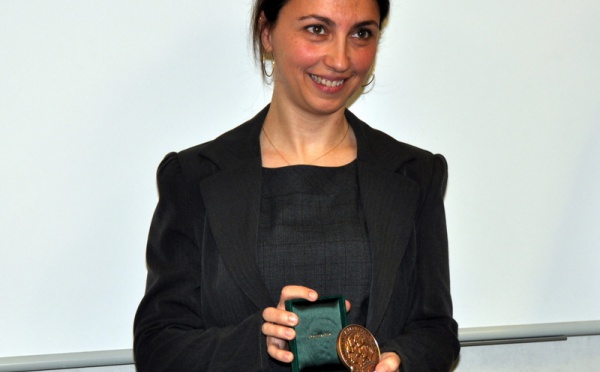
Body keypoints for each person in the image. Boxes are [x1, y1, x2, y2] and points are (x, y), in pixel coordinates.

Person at [133, 0, 460, 370]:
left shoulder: (414, 175)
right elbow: (158, 348)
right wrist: (259, 340)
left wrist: (401, 363)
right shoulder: (194, 178)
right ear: (267, 32)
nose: (341, 59)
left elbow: (435, 329)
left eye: (361, 33)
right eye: (317, 29)